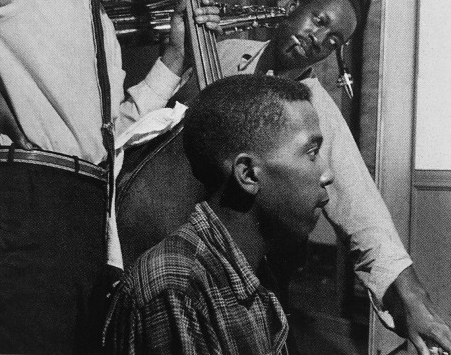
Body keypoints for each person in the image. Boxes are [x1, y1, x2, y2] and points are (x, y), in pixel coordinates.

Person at [0, 0, 220, 353]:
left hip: (83, 219)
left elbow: (107, 136)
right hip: (27, 203)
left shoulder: (100, 20)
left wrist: (174, 60)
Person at [217, 0, 451, 355]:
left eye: (333, 40)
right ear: (292, 7)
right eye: (317, 20)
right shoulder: (224, 52)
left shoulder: (317, 109)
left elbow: (362, 208)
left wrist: (414, 299)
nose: (318, 39)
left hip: (249, 264)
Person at [104, 74, 334, 354]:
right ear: (248, 173)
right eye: (312, 152)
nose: (327, 174)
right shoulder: (177, 288)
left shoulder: (257, 272)